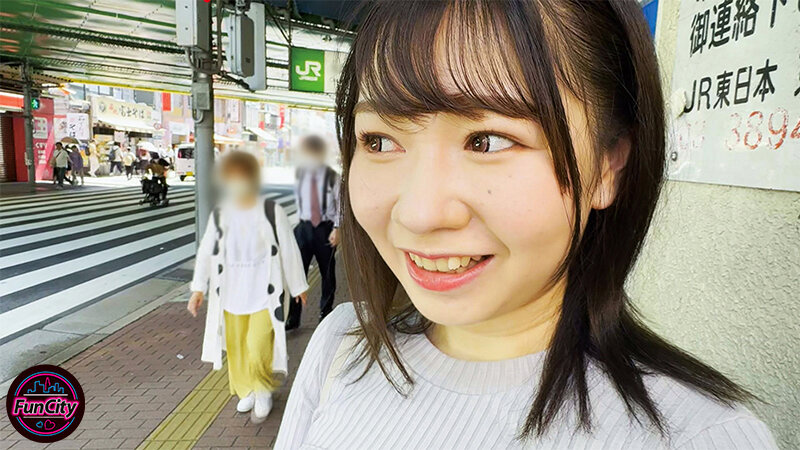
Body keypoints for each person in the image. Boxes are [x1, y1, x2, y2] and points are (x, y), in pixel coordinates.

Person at [275, 1, 777, 449]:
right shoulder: (341, 346)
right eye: (379, 141)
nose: (418, 214)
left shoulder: (702, 436)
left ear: (608, 166)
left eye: (487, 141)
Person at [187, 151, 309, 424]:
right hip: (231, 294)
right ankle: (248, 389)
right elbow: (206, 250)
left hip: (265, 294)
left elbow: (289, 248)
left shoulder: (271, 211)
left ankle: (263, 388)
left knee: (258, 343)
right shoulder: (221, 214)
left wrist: (298, 285)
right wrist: (198, 288)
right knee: (237, 348)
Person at [285, 135, 341, 330]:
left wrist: (337, 229)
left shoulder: (333, 177)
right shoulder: (300, 174)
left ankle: (325, 312)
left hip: (325, 230)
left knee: (327, 274)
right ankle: (293, 317)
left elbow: (341, 205)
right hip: (303, 228)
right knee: (297, 273)